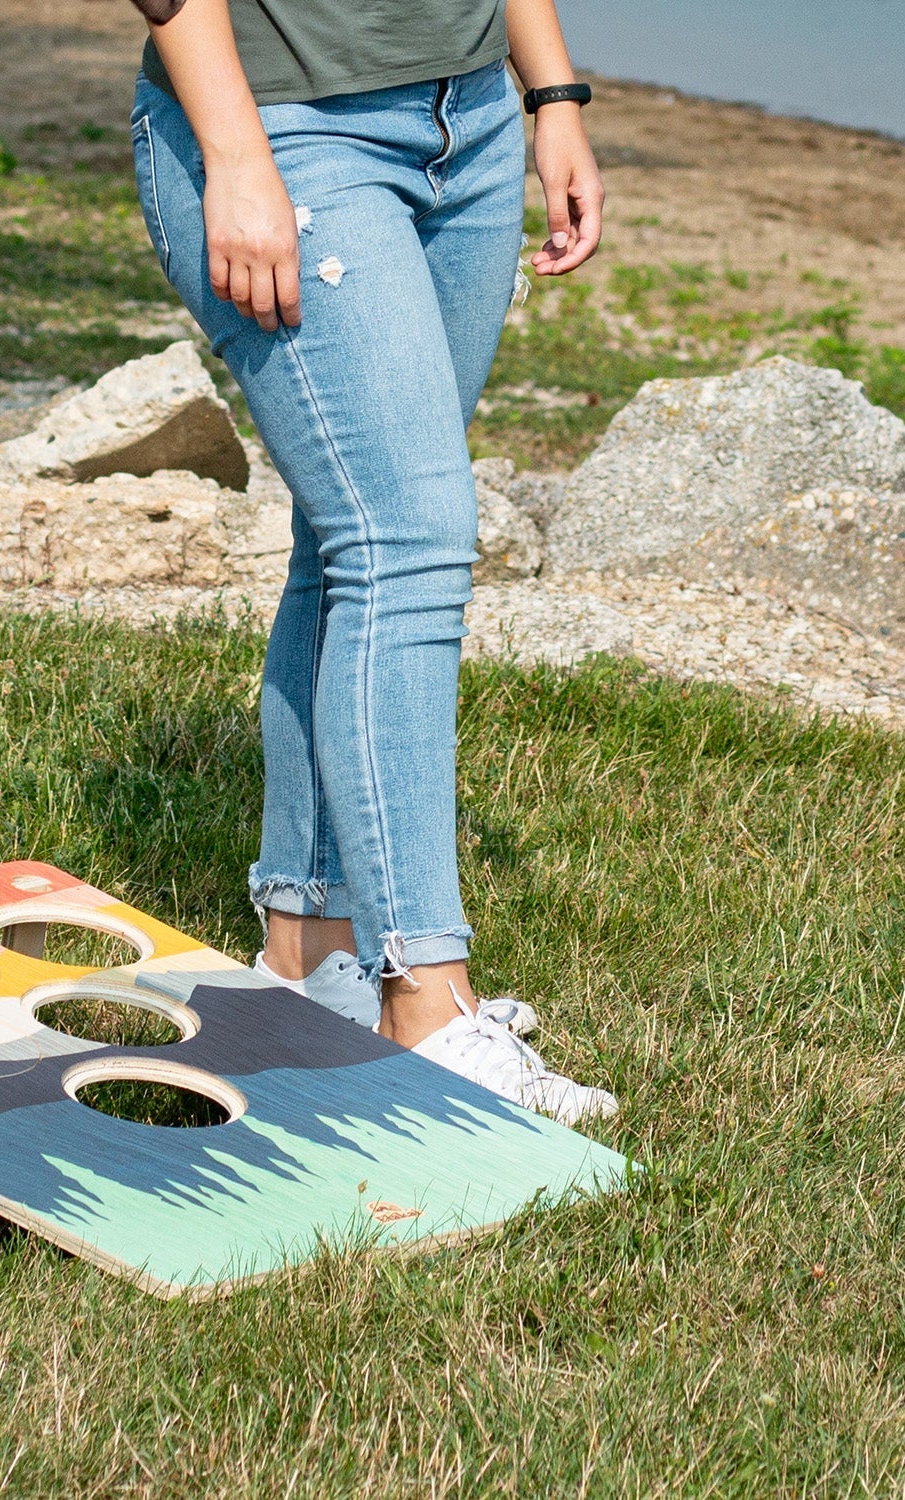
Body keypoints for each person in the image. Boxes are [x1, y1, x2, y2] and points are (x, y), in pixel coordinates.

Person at [134, 0, 616, 1120]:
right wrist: (237, 155)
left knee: (352, 528)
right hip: (284, 130)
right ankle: (426, 1005)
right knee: (408, 543)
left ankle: (312, 954)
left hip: (473, 121)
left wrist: (550, 96)